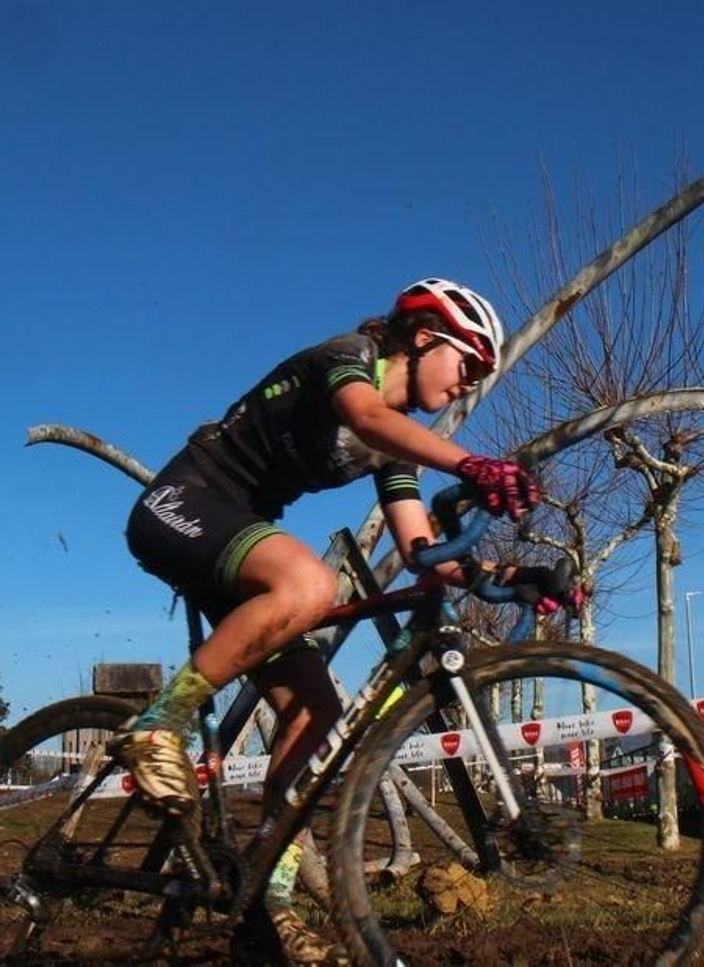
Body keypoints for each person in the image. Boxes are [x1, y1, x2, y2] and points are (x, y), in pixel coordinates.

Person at [113, 278, 573, 963]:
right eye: (470, 362)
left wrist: (503, 577)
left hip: (234, 537)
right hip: (183, 503)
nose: (471, 383)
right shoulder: (347, 358)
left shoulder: (396, 444)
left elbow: (422, 552)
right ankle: (158, 723)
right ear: (426, 337)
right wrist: (473, 463)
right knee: (311, 584)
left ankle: (268, 899)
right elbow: (365, 416)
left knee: (316, 711)